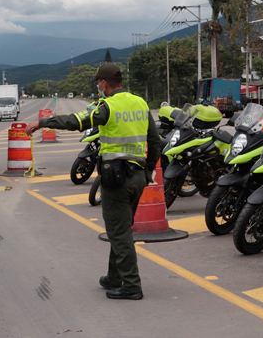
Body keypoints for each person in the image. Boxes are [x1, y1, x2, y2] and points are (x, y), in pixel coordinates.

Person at [25, 63, 161, 300]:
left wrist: (43, 123)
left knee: (119, 232)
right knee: (120, 227)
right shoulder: (140, 103)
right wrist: (148, 168)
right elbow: (156, 142)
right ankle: (113, 277)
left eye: (98, 83)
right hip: (137, 175)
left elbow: (76, 121)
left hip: (117, 177)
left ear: (103, 83)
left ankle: (132, 286)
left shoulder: (107, 106)